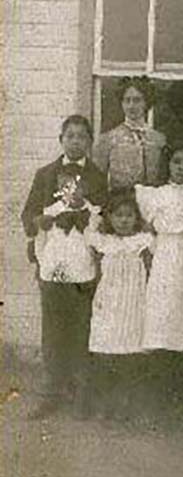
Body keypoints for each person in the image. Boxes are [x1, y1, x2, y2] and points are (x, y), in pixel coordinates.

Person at [21, 115, 108, 419]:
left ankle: (82, 393)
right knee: (53, 328)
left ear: (90, 142)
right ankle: (51, 392)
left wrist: (88, 214)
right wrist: (39, 221)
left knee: (81, 326)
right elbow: (28, 214)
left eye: (82, 136)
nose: (75, 141)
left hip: (82, 259)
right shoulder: (45, 174)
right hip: (54, 258)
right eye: (70, 135)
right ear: (61, 139)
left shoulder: (97, 176)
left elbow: (105, 216)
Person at [135, 138, 183, 404]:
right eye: (176, 162)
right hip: (164, 259)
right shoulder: (156, 195)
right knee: (163, 315)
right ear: (168, 164)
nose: (181, 167)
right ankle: (160, 391)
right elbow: (147, 230)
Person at [85, 190, 153, 418]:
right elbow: (89, 232)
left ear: (136, 218)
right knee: (106, 350)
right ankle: (106, 401)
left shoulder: (143, 242)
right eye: (118, 215)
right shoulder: (105, 242)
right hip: (109, 303)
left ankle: (126, 401)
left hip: (133, 304)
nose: (124, 220)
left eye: (129, 215)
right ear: (110, 218)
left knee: (130, 353)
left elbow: (152, 270)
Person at [93, 76, 166, 189]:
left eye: (137, 100)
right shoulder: (108, 139)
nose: (131, 106)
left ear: (146, 102)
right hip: (120, 197)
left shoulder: (159, 139)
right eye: (127, 100)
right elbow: (98, 180)